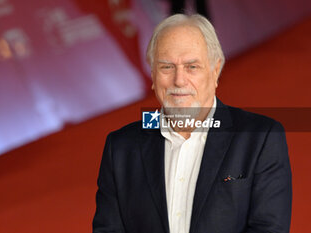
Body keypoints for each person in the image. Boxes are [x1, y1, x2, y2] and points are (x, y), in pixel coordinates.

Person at [93, 14, 292, 233]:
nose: (179, 80)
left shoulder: (260, 137)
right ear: (152, 75)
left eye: (192, 67)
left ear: (215, 71)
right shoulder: (121, 147)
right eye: (166, 67)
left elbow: (268, 229)